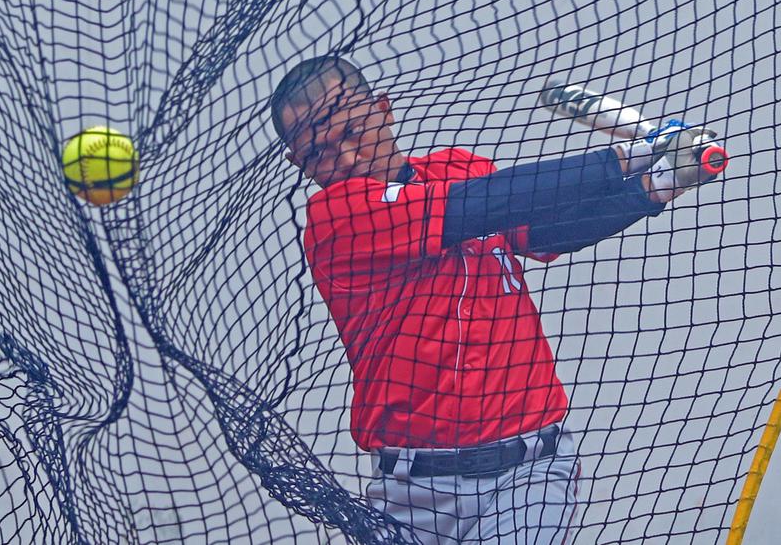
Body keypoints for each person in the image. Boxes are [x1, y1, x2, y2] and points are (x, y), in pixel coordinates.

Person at [269, 56, 723, 544]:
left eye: (354, 132)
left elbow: (548, 230)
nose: (347, 157)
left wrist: (657, 186)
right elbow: (489, 202)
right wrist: (631, 155)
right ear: (298, 162)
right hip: (410, 491)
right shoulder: (335, 216)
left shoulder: (457, 169)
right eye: (320, 153)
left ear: (383, 110)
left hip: (529, 471)